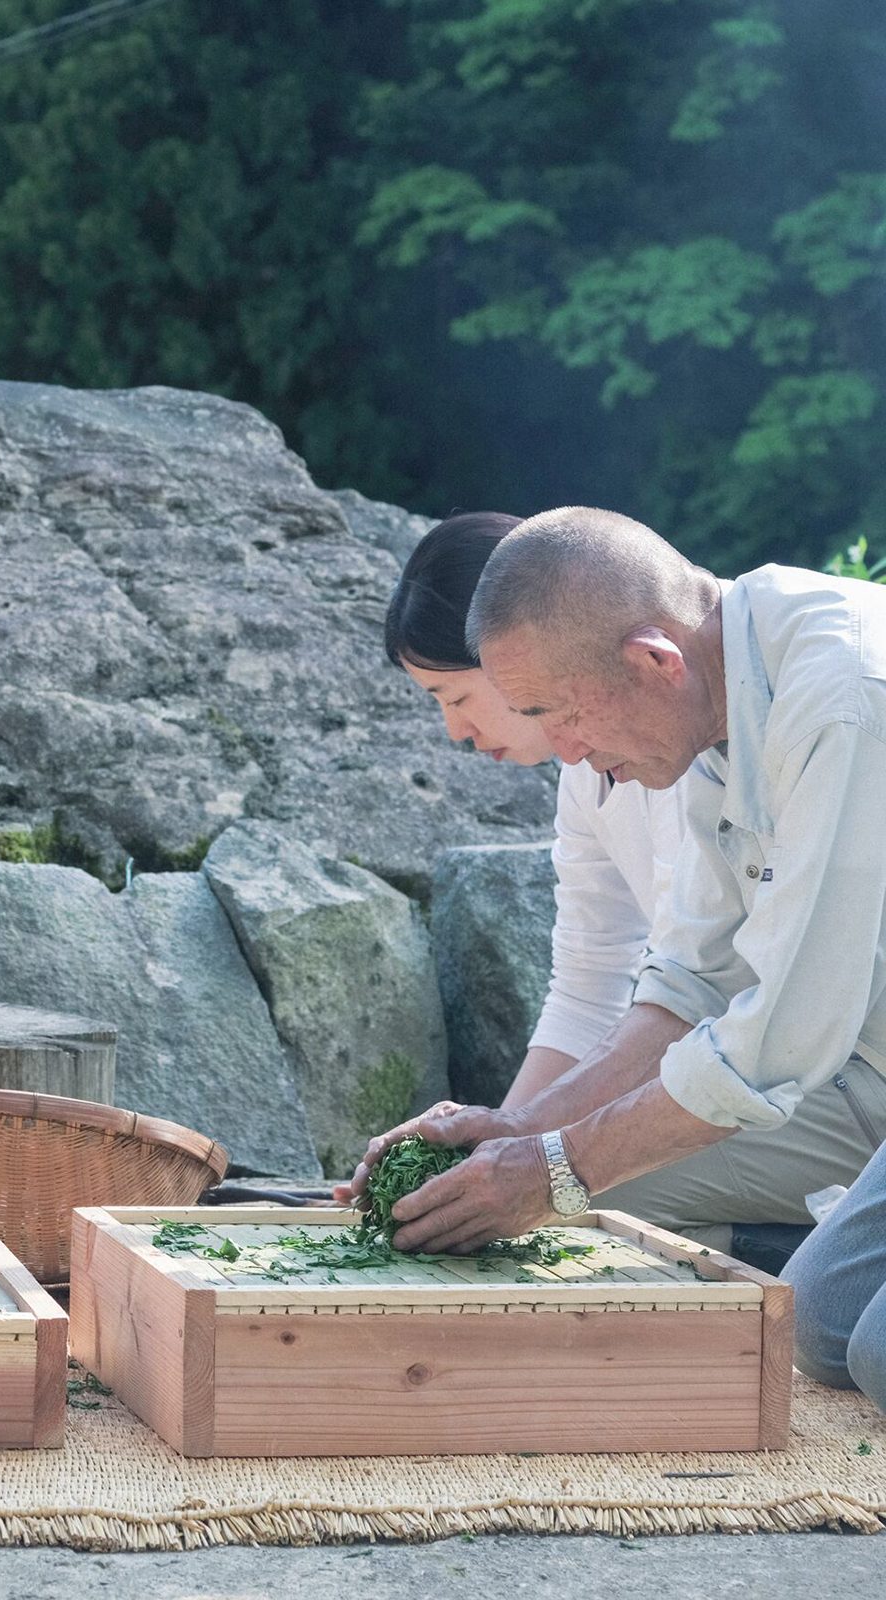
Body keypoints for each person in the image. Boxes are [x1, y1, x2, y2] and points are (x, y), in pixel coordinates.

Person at [345, 506, 886, 1406]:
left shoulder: (843, 700)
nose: (564, 752)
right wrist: (512, 1130)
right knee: (828, 1329)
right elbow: (685, 981)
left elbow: (776, 1046)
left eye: (556, 712)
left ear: (651, 661)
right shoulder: (717, 702)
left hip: (850, 1080)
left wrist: (557, 1171)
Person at [382, 512, 687, 1112]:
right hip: (757, 1073)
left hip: (816, 1076)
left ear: (513, 651)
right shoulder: (582, 776)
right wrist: (499, 1131)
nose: (455, 730)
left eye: (457, 696)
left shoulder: (689, 739)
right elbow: (588, 987)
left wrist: (522, 1145)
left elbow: (699, 996)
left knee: (565, 1171)